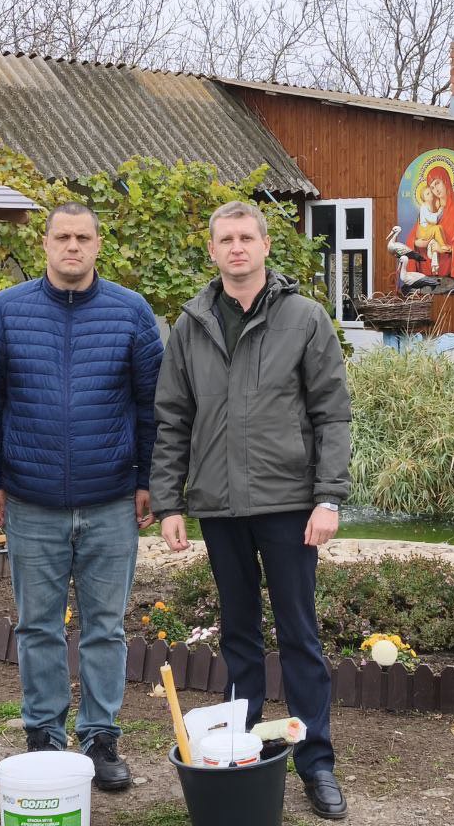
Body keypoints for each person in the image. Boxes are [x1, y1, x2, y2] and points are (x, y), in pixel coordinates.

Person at [151, 201, 352, 820]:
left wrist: (328, 497)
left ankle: (315, 762)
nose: (236, 247)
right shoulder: (191, 325)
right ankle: (242, 753)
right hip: (219, 506)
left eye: (246, 237)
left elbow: (332, 412)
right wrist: (169, 501)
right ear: (211, 250)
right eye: (225, 239)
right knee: (238, 638)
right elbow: (172, 419)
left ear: (265, 245)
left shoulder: (305, 319)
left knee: (299, 635)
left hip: (290, 504)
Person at [0, 202, 163, 791]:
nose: (71, 246)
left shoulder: (131, 312)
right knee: (37, 626)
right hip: (30, 498)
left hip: (110, 499)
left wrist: (148, 480)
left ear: (98, 244)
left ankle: (101, 738)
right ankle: (44, 736)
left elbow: (153, 406)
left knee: (106, 627)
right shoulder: (8, 309)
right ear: (46, 245)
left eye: (82, 237)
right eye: (62, 237)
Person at [406, 165, 454, 291]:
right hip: (428, 275)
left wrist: (444, 248)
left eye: (438, 183)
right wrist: (417, 242)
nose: (436, 190)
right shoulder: (430, 209)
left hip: (450, 277)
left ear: (446, 181)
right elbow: (416, 235)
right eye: (432, 187)